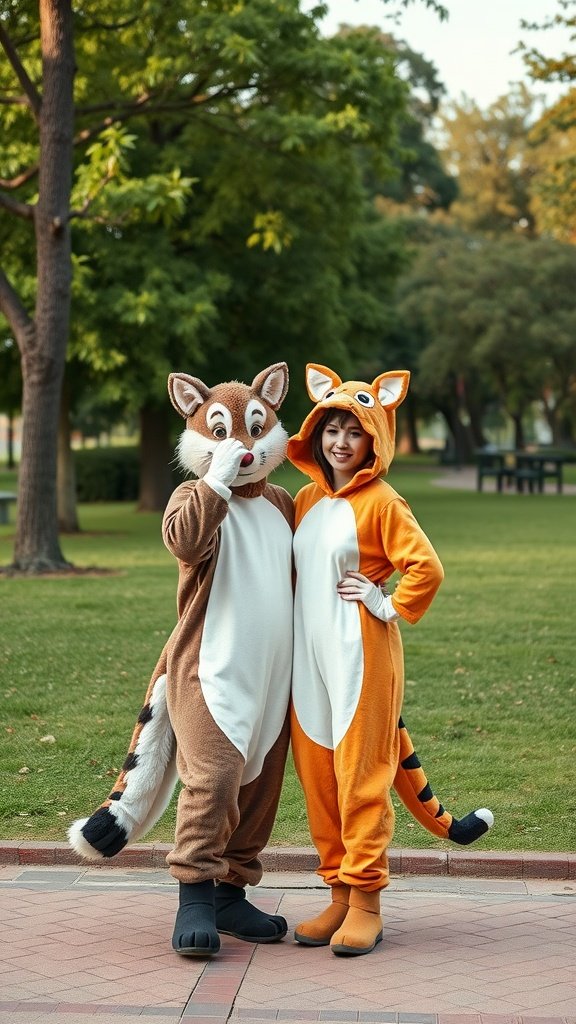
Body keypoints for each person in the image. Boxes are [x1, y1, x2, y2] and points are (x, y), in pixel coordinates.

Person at [287, 363, 491, 957]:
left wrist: (385, 603)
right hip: (309, 660)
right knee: (320, 780)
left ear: (374, 437)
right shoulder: (304, 498)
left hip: (361, 657)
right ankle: (337, 892)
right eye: (331, 430)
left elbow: (426, 566)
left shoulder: (383, 501)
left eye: (354, 431)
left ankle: (367, 900)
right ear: (316, 433)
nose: (341, 442)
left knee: (360, 780)